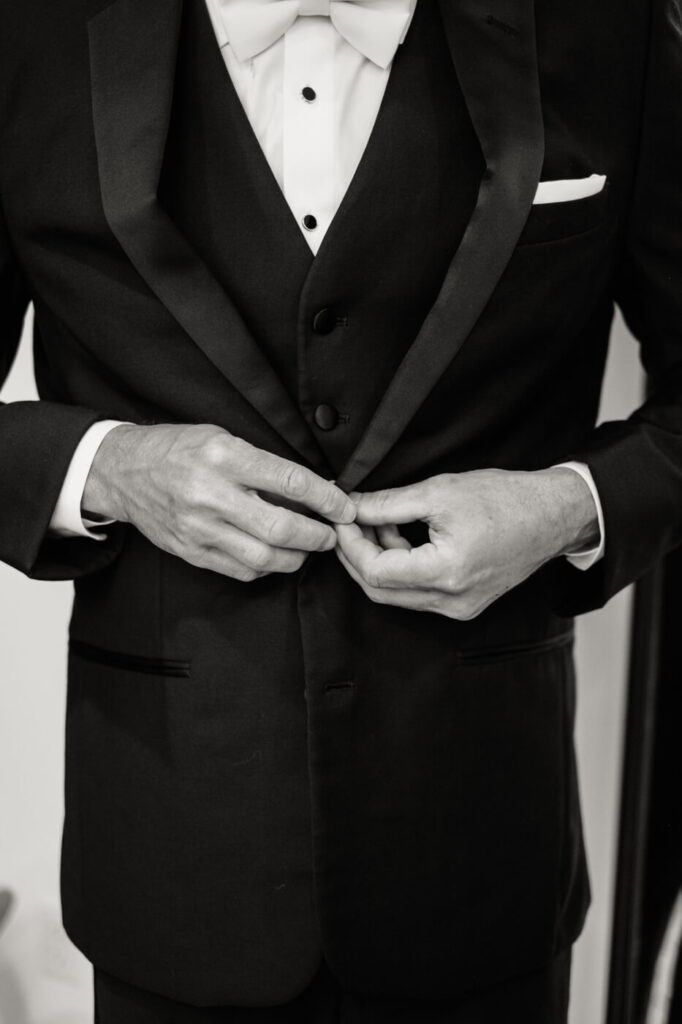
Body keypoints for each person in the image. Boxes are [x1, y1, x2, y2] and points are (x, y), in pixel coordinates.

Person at [0, 0, 680, 1020]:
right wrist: (108, 468)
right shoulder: (29, 29)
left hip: (482, 859)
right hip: (169, 867)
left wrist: (566, 507)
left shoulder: (605, 25)